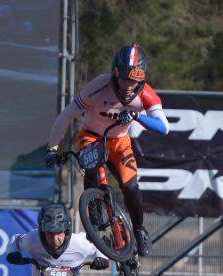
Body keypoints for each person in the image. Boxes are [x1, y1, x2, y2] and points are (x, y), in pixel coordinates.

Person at [44, 44, 170, 257]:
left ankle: (139, 230)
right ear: (115, 74)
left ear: (142, 79)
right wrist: (52, 148)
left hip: (120, 141)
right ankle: (94, 218)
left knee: (130, 187)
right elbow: (66, 116)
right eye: (124, 80)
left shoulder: (146, 94)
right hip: (91, 136)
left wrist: (136, 116)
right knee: (92, 168)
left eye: (134, 81)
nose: (129, 86)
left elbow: (164, 127)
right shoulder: (98, 87)